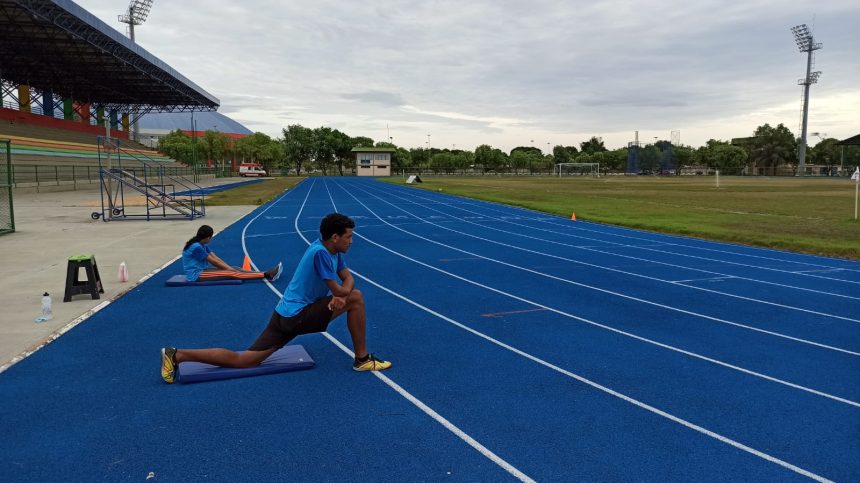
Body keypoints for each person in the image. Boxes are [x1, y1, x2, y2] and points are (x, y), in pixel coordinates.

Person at [161, 213, 391, 383]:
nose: (352, 241)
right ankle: (362, 359)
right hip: (297, 316)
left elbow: (347, 279)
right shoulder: (321, 253)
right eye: (349, 237)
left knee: (246, 360)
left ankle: (177, 354)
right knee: (357, 297)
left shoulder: (330, 250)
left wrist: (343, 293)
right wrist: (343, 294)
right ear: (334, 237)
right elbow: (344, 289)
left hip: (283, 313)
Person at [182, 225, 282, 282]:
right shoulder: (196, 247)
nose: (211, 239)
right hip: (196, 275)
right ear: (208, 237)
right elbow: (214, 262)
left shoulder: (202, 245)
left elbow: (216, 259)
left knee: (236, 268)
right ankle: (267, 275)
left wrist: (230, 267)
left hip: (203, 270)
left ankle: (264, 273)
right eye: (211, 237)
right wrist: (229, 269)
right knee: (232, 272)